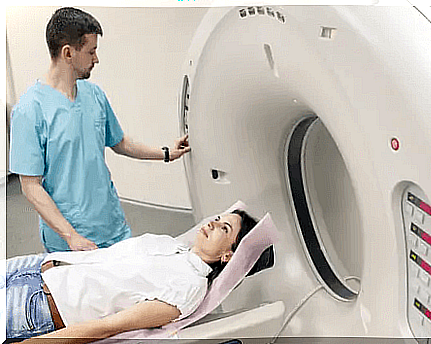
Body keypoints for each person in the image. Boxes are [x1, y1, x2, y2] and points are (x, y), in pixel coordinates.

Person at [9, 7, 191, 253]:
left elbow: (120, 142)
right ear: (68, 53)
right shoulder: (30, 110)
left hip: (112, 227)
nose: (96, 59)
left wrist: (166, 153)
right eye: (91, 51)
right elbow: (30, 186)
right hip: (69, 241)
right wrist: (71, 236)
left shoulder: (94, 95)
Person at [5, 210, 259, 343]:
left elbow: (107, 328)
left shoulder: (188, 289)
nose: (213, 224)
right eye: (217, 219)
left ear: (228, 255)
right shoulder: (170, 244)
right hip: (34, 265)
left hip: (36, 307)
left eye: (224, 228)